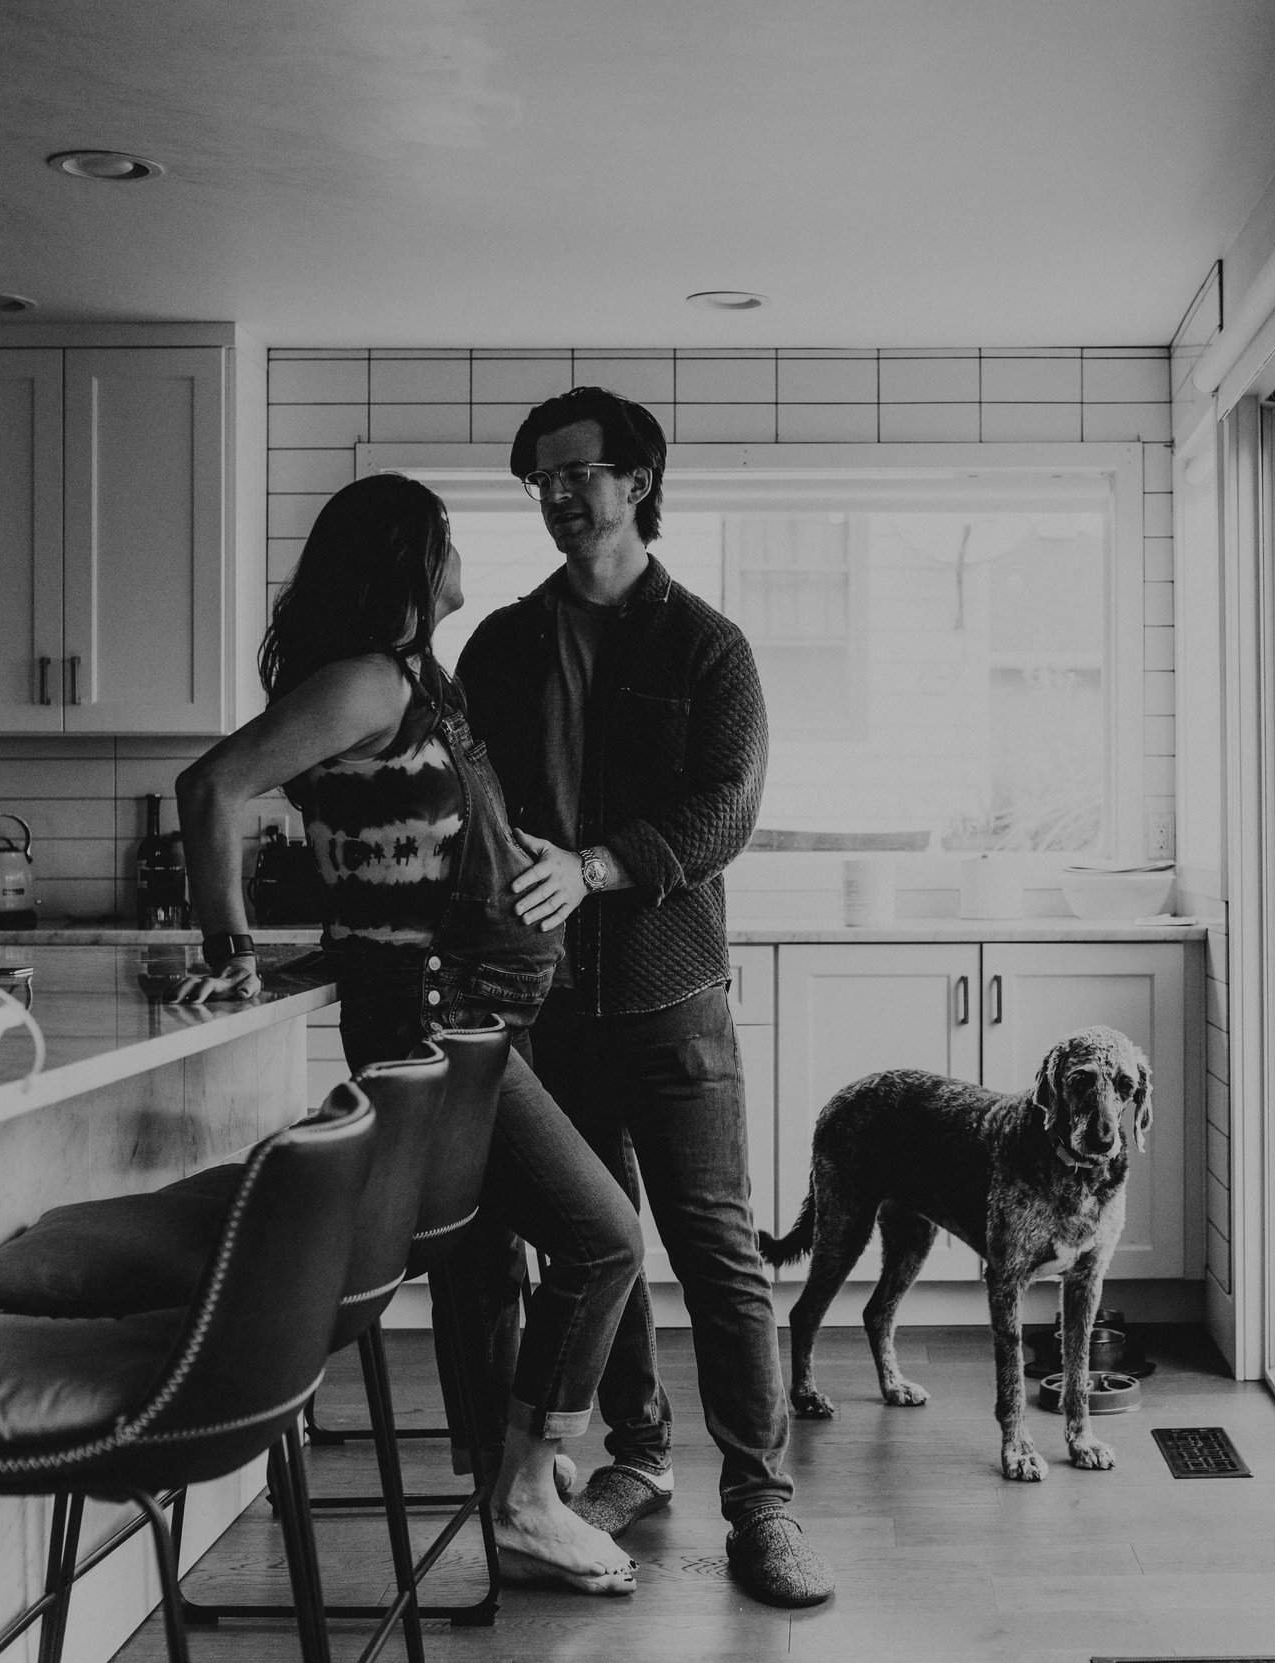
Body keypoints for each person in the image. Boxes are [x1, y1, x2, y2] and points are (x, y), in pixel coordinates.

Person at [169, 472, 643, 1597]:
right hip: (439, 1019)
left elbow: (398, 844)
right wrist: (228, 950)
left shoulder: (414, 677)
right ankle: (523, 1493)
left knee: (487, 1262)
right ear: (408, 561)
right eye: (444, 539)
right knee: (604, 1236)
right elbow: (212, 787)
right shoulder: (367, 680)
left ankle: (508, 1483)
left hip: (468, 1006)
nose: (459, 555)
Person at [457, 387, 834, 1608]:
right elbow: (472, 800)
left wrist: (597, 864)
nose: (558, 495)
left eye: (577, 473)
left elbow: (728, 803)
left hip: (673, 996)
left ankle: (761, 1501)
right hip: (550, 1004)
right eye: (541, 479)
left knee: (715, 1248)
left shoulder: (707, 645)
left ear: (635, 479)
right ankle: (637, 1451)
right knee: (596, 1239)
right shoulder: (502, 644)